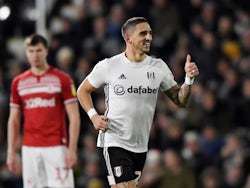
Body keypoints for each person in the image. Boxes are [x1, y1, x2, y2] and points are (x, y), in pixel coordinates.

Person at [77, 17, 199, 188]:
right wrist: (94, 116)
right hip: (114, 139)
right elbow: (82, 90)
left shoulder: (158, 67)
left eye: (150, 33)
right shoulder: (110, 65)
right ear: (128, 38)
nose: (149, 37)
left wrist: (188, 80)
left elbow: (180, 101)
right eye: (143, 33)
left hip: (140, 144)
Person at [6, 34, 80, 188]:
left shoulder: (63, 79)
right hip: (29, 147)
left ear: (46, 51)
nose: (35, 55)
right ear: (26, 52)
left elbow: (74, 117)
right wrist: (11, 152)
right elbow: (13, 120)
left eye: (38, 50)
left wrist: (72, 149)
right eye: (31, 51)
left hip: (57, 146)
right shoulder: (18, 82)